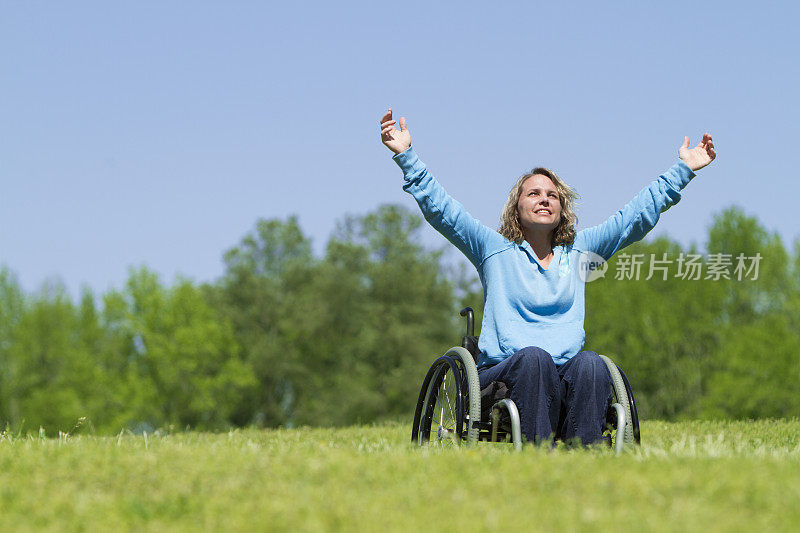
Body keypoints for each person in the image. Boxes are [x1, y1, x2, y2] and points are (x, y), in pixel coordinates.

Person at [380, 109, 717, 446]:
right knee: (534, 358)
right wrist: (406, 156)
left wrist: (683, 170)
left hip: (567, 374)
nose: (544, 198)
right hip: (508, 372)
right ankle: (539, 456)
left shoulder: (580, 251)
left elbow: (634, 218)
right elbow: (443, 211)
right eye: (534, 193)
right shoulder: (493, 249)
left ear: (562, 209)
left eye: (552, 195)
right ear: (516, 207)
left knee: (591, 364)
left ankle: (583, 455)